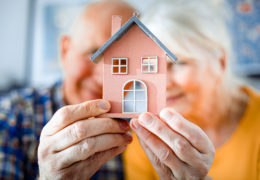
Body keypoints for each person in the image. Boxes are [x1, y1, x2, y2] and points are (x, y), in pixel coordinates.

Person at [124, 0, 260, 179]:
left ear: (220, 62)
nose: (163, 83)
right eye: (151, 67)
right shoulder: (144, 138)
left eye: (179, 63)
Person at [0, 0, 135, 179]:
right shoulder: (11, 116)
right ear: (64, 50)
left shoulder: (139, 124)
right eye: (94, 53)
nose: (103, 78)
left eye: (122, 63)